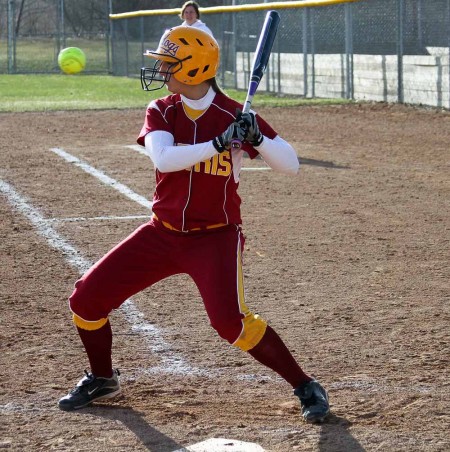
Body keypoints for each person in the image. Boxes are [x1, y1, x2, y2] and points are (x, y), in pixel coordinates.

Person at [58, 26, 330, 424]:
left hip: (215, 238)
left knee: (231, 323)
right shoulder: (162, 110)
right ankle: (102, 378)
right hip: (162, 233)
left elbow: (290, 165)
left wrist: (258, 137)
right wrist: (219, 144)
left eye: (169, 63)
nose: (162, 70)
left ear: (194, 68)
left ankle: (305, 385)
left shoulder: (236, 114)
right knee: (85, 300)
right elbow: (164, 159)